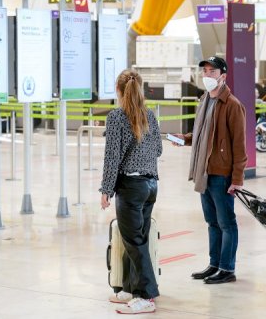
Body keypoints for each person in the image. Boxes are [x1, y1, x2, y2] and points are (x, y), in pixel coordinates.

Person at [173, 56, 248, 284]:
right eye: (204, 71)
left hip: (221, 174)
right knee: (212, 222)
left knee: (227, 223)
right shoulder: (205, 100)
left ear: (223, 76)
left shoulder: (232, 105)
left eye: (211, 71)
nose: (206, 75)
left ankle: (227, 269)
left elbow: (239, 146)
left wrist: (237, 179)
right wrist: (185, 139)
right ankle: (214, 264)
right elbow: (202, 134)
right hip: (204, 172)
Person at [100, 69, 162, 315]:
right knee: (136, 239)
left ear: (118, 90)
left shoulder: (116, 118)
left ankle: (146, 295)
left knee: (134, 242)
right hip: (150, 186)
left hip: (131, 187)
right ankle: (130, 287)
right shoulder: (150, 115)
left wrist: (106, 189)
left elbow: (112, 157)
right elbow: (158, 150)